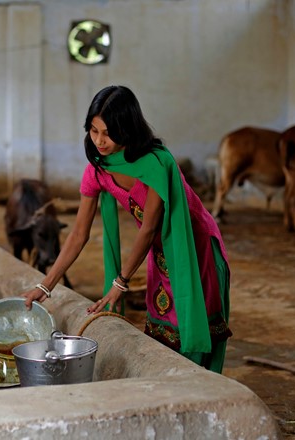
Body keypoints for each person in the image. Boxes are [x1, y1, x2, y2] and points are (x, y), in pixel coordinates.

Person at [21, 85, 232, 373]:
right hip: (159, 250)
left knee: (190, 323)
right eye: (93, 131)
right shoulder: (97, 169)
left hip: (192, 248)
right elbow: (78, 233)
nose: (99, 140)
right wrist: (46, 285)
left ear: (128, 127)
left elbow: (148, 229)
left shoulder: (157, 162)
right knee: (163, 325)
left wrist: (119, 284)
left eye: (108, 132)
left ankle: (196, 394)